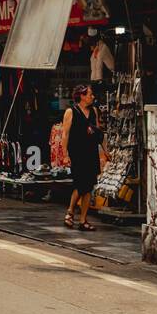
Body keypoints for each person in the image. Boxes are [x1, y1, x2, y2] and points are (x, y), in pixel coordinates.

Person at [63, 84, 106, 231]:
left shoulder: (93, 111)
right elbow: (65, 134)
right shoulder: (71, 112)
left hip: (91, 152)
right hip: (77, 152)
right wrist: (65, 154)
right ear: (82, 96)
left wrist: (106, 152)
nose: (92, 97)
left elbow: (99, 134)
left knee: (88, 187)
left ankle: (83, 219)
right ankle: (70, 212)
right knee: (80, 184)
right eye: (90, 94)